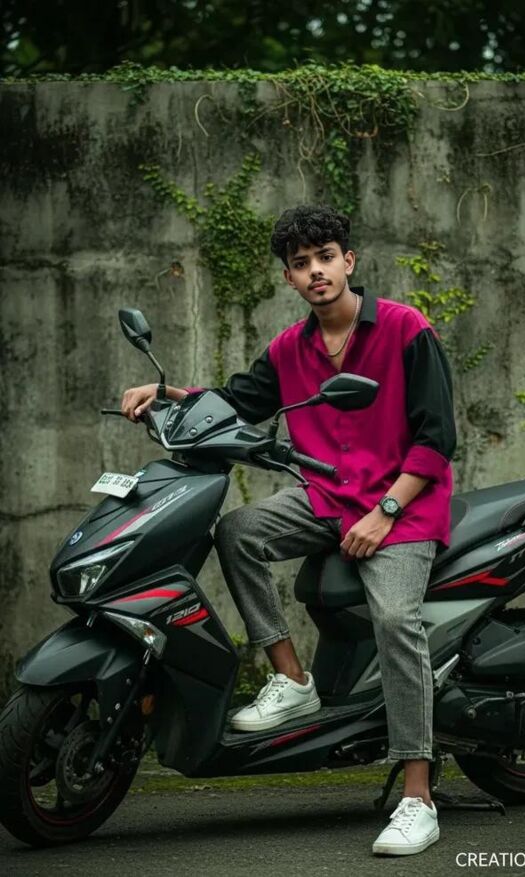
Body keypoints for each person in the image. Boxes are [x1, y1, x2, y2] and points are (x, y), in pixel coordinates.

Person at [121, 204, 457, 857]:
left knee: (395, 619)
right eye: (301, 264)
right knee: (238, 530)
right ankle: (293, 680)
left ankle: (418, 797)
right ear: (289, 278)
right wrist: (165, 395)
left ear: (348, 261)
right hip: (327, 496)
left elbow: (437, 438)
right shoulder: (288, 349)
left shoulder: (405, 328)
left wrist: (385, 512)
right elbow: (237, 401)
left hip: (403, 504)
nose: (315, 272)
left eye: (325, 257)